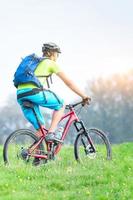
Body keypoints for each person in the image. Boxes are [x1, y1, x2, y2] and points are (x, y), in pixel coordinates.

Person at [17, 42, 91, 142]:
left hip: (20, 94)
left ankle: (36, 154)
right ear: (50, 53)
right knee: (60, 104)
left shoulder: (35, 63)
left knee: (40, 128)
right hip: (33, 92)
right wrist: (84, 96)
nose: (57, 56)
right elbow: (69, 82)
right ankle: (51, 133)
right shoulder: (51, 63)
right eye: (57, 53)